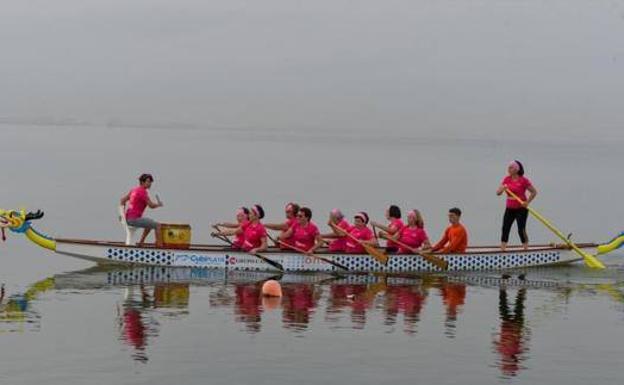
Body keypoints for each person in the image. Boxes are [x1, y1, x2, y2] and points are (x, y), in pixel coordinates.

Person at [496, 160, 537, 251]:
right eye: (508, 167)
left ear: (516, 169)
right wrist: (502, 188)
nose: (509, 169)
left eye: (511, 167)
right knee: (505, 228)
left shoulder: (523, 180)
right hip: (509, 208)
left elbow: (534, 192)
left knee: (521, 230)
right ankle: (502, 249)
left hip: (521, 208)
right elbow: (498, 193)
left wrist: (527, 202)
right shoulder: (507, 179)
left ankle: (526, 248)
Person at [120, 173, 164, 247]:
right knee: (157, 225)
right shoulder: (142, 192)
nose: (150, 184)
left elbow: (122, 200)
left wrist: (122, 215)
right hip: (134, 219)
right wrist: (158, 205)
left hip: (128, 218)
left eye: (150, 182)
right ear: (142, 182)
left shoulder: (133, 190)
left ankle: (141, 242)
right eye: (148, 181)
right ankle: (160, 248)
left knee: (150, 223)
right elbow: (151, 206)